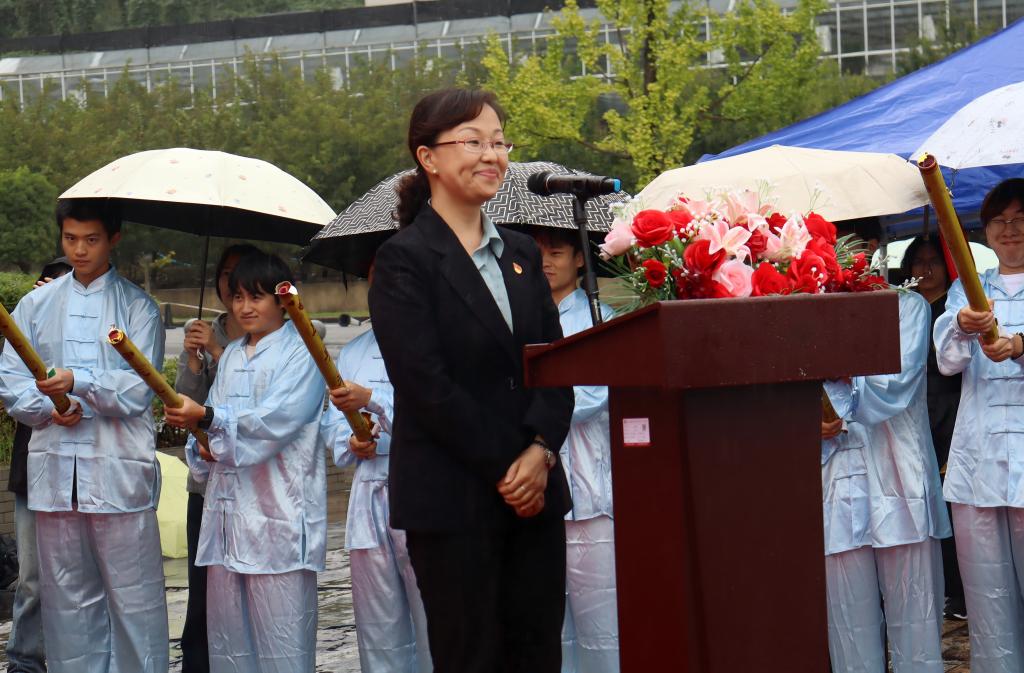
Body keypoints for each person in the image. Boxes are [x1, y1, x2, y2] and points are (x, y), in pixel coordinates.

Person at [368, 88, 575, 673]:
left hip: (534, 497)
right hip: (453, 500)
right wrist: (513, 465)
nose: (492, 155)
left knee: (538, 653)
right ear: (428, 157)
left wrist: (542, 452)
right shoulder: (403, 261)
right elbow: (426, 387)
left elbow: (555, 364)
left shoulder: (521, 252)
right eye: (473, 141)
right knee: (471, 656)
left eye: (499, 142)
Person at [0, 199, 169, 672]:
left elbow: (140, 388)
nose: (79, 250)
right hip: (56, 473)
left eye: (91, 240)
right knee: (66, 601)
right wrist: (49, 409)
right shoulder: (35, 305)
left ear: (113, 239)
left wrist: (80, 385)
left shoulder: (138, 308)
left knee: (133, 598)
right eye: (70, 239)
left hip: (118, 470)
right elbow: (12, 379)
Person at [165, 250, 327, 673]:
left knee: (283, 643)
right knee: (229, 646)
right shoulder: (233, 354)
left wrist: (210, 420)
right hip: (227, 519)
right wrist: (201, 443)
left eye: (256, 297)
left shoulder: (303, 351)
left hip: (279, 517)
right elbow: (213, 428)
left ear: (282, 300)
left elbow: (276, 422)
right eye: (238, 297)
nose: (245, 307)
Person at [822, 288, 951, 672]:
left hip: (898, 475)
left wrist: (833, 398)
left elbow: (895, 382)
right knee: (848, 623)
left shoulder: (908, 306)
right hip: (836, 474)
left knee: (916, 621)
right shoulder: (808, 306)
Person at [321, 260, 432, 673]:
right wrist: (352, 441)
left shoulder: (436, 342)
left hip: (422, 487)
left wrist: (373, 399)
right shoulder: (353, 351)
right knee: (377, 624)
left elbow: (439, 415)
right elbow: (331, 423)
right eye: (375, 281)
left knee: (433, 616)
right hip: (369, 493)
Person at [933, 178, 1024, 672]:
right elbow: (947, 363)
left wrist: (1019, 346)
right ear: (984, 232)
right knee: (988, 602)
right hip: (978, 465)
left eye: (1020, 220)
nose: (1010, 230)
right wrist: (961, 327)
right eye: (999, 221)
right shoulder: (968, 289)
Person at [531, 227, 618, 673]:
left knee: (601, 625)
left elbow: (591, 396)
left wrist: (532, 418)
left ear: (580, 259)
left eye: (557, 253)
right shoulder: (522, 317)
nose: (545, 262)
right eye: (538, 253)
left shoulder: (601, 318)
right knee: (547, 628)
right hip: (536, 489)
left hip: (589, 488)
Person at [174, 243, 258, 673]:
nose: (231, 283)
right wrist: (193, 358)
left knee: (253, 593)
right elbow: (183, 403)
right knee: (203, 590)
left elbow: (257, 396)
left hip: (255, 486)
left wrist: (220, 352)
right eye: (225, 274)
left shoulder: (272, 337)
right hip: (206, 484)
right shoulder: (205, 330)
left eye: (240, 273)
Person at [5, 256, 72, 673]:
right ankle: (25, 661)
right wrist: (30, 319)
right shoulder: (26, 324)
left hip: (84, 473)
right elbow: (11, 383)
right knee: (31, 577)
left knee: (76, 578)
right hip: (32, 469)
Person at [901, 236, 966, 620]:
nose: (925, 269)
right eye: (918, 261)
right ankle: (937, 587)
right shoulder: (904, 308)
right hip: (912, 414)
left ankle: (959, 592)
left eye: (933, 261)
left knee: (951, 503)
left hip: (950, 413)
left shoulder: (952, 308)